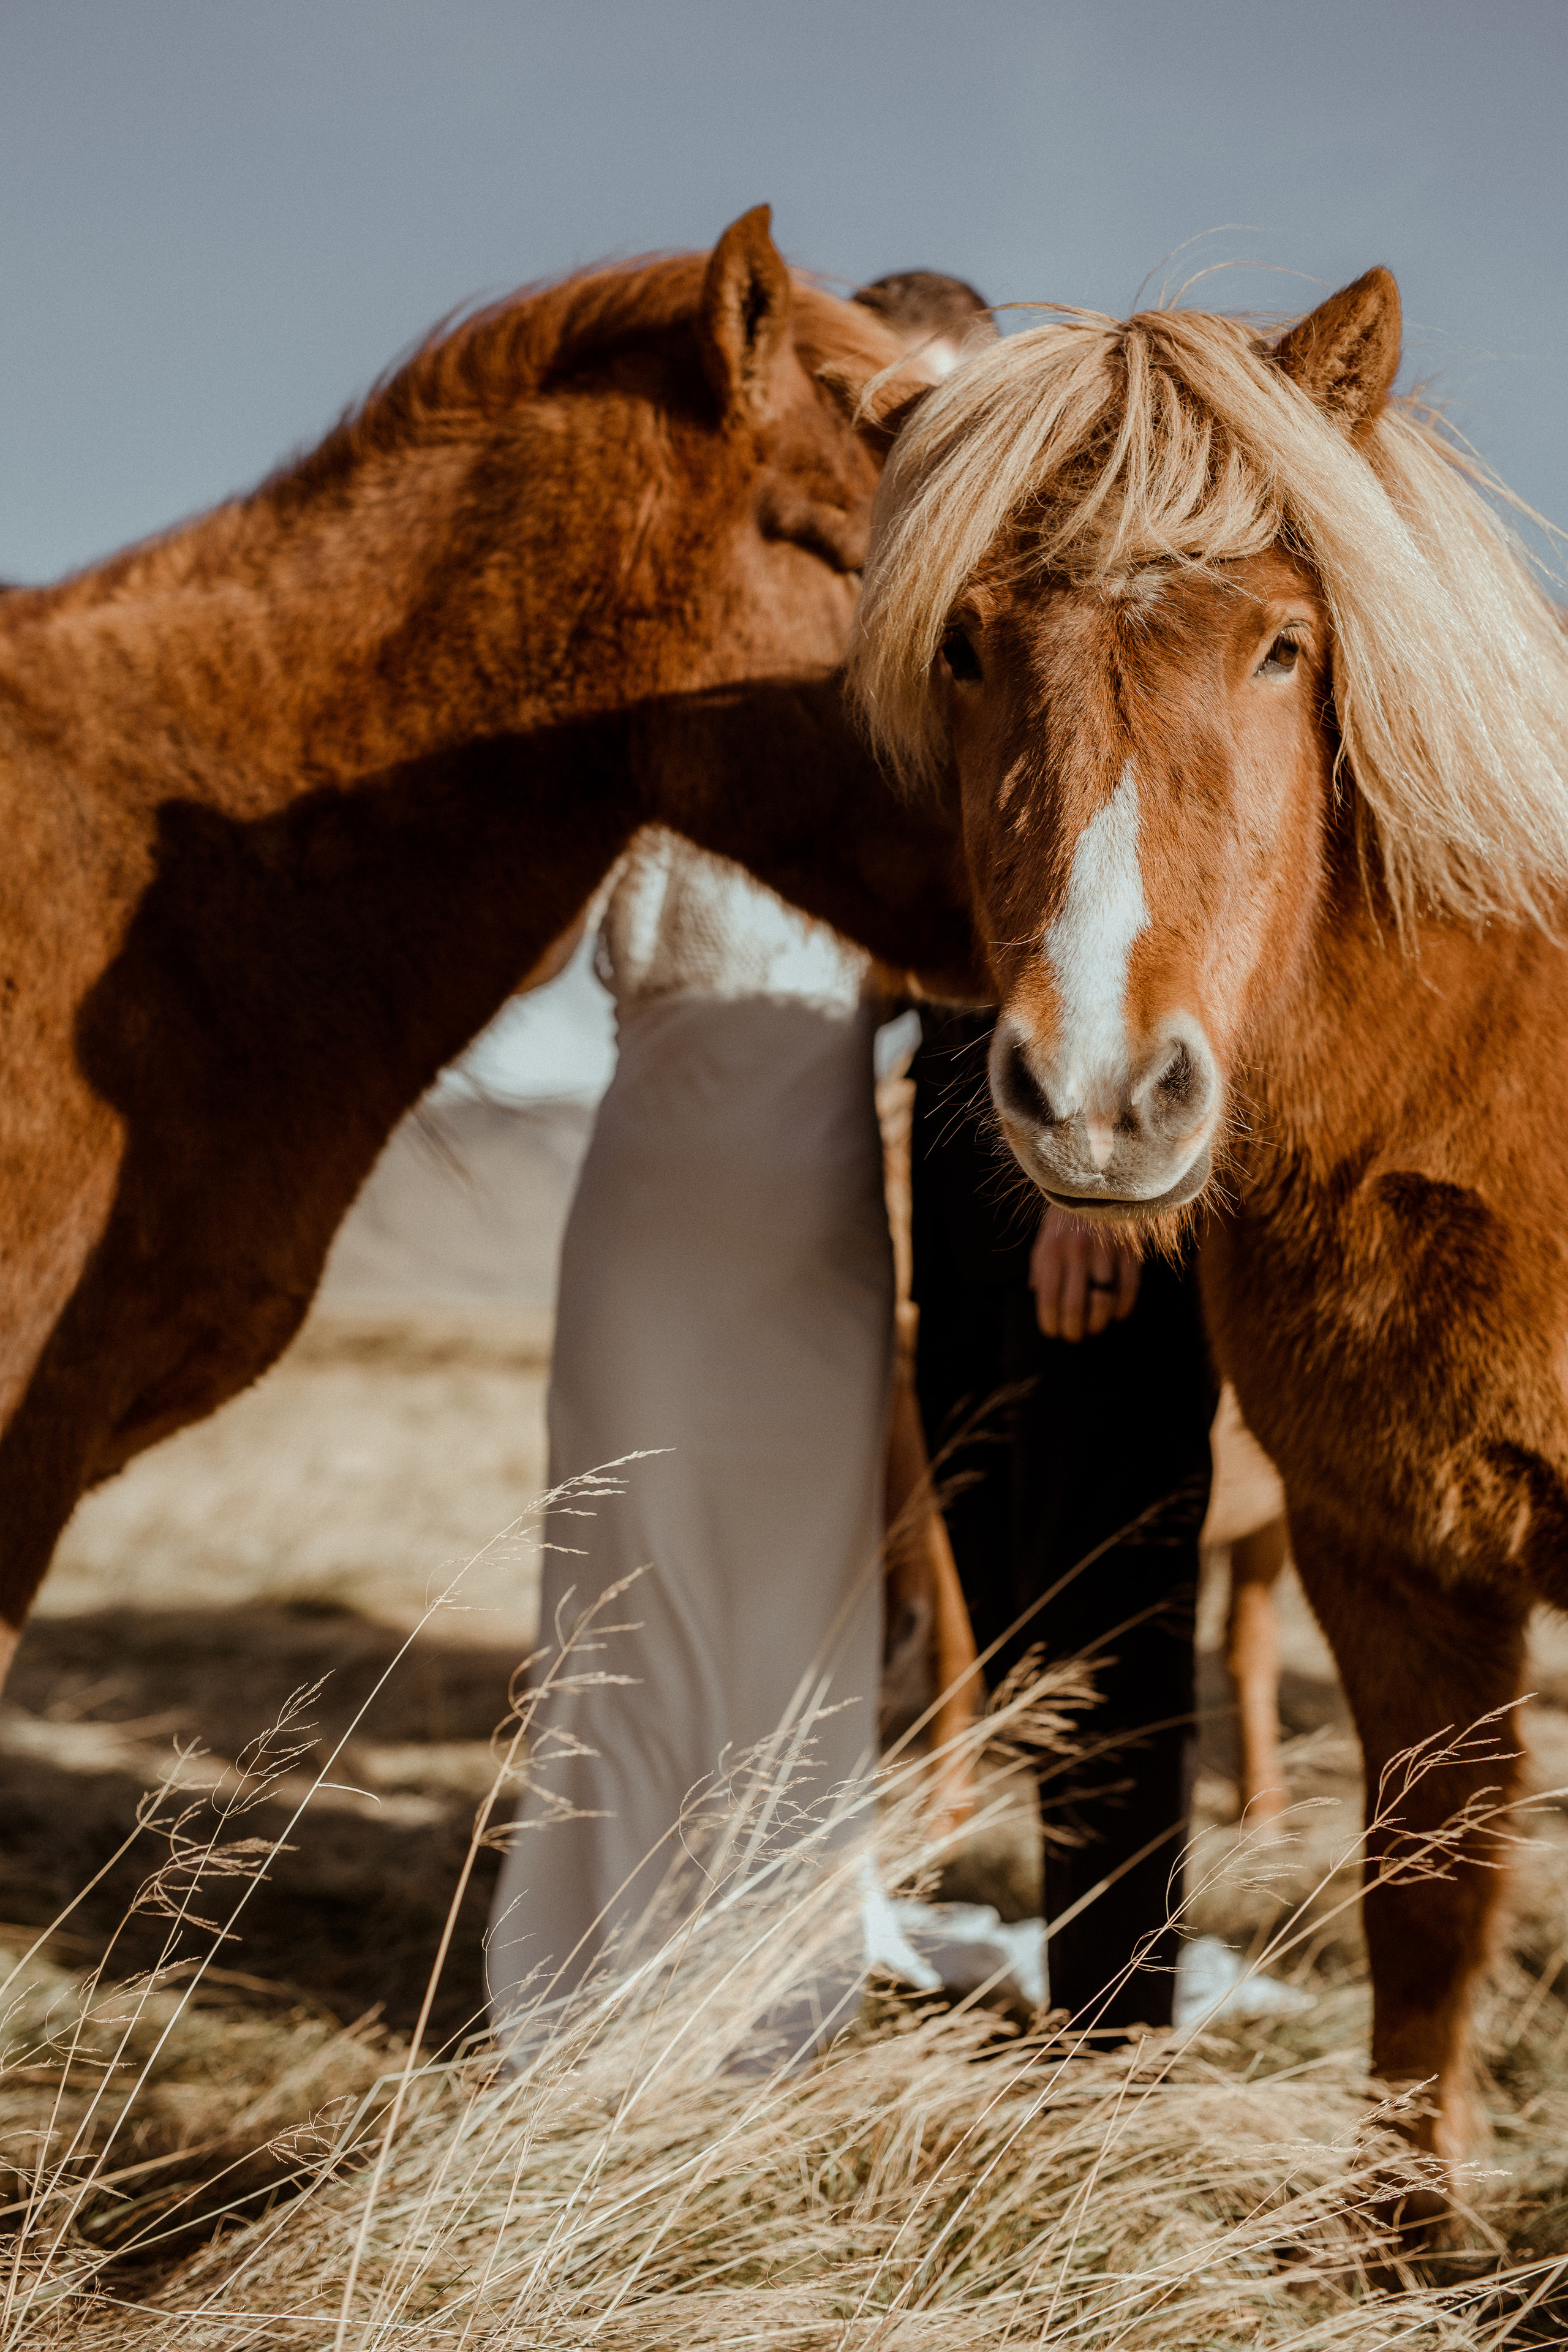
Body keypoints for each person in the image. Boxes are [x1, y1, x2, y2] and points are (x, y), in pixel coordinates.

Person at [485, 276, 994, 2043]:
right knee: (618, 1572)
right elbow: (543, 956)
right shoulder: (703, 694)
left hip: (815, 1212)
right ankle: (588, 1967)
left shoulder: (900, 717)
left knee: (798, 1591)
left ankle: (764, 1975)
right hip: (644, 1197)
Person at [908, 1006, 1216, 2030]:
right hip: (958, 1183)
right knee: (1020, 1635)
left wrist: (1101, 1176)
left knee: (1107, 1636)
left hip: (1089, 1169)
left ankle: (1114, 2044)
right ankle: (1084, 1986)